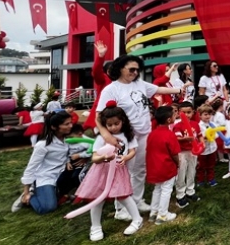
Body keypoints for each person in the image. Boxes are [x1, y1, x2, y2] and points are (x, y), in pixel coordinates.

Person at [95, 55, 184, 220]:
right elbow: (98, 115)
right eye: (131, 69)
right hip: (126, 137)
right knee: (124, 172)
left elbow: (158, 89)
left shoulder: (140, 84)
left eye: (137, 69)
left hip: (144, 134)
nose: (135, 72)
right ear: (120, 68)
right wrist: (107, 135)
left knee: (140, 170)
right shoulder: (111, 89)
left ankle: (136, 200)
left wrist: (178, 90)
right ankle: (121, 209)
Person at [74, 101, 142, 241]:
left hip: (118, 171)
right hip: (101, 172)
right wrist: (104, 157)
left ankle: (137, 220)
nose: (113, 127)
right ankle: (95, 227)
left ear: (123, 121)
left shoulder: (129, 135)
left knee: (124, 196)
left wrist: (126, 157)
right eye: (109, 125)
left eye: (116, 123)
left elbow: (132, 150)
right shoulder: (101, 138)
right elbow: (94, 158)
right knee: (98, 199)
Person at [12, 112, 72, 214]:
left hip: (61, 176)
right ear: (54, 127)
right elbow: (31, 167)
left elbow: (66, 154)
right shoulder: (42, 145)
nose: (71, 126)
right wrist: (26, 191)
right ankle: (29, 197)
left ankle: (56, 193)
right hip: (46, 177)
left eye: (70, 123)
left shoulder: (67, 140)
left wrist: (68, 161)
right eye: (66, 124)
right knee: (48, 207)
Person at [146, 106, 180, 224]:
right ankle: (162, 214)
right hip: (166, 167)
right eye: (174, 114)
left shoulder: (152, 134)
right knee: (166, 189)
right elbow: (175, 153)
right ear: (169, 120)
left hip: (154, 166)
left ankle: (153, 212)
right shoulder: (169, 135)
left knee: (157, 189)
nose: (176, 115)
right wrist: (178, 163)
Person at [172, 102, 201, 208]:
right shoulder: (178, 125)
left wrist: (201, 143)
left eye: (188, 112)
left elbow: (199, 135)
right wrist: (187, 138)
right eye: (183, 112)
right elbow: (177, 138)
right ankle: (180, 194)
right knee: (181, 172)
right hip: (182, 152)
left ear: (193, 112)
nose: (186, 114)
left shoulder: (195, 124)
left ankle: (190, 190)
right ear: (179, 113)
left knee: (192, 170)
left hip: (193, 151)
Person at [83, 40, 112, 133]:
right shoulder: (104, 79)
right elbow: (96, 71)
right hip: (99, 118)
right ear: (106, 71)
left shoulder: (122, 82)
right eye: (111, 70)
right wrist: (101, 56)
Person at [197, 104, 218, 187]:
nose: (208, 116)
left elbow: (216, 134)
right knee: (201, 166)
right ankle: (200, 180)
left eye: (209, 114)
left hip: (212, 148)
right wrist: (205, 137)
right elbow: (199, 136)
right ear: (200, 115)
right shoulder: (199, 126)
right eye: (205, 114)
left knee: (211, 165)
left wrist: (212, 136)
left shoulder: (213, 124)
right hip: (203, 150)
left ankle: (211, 179)